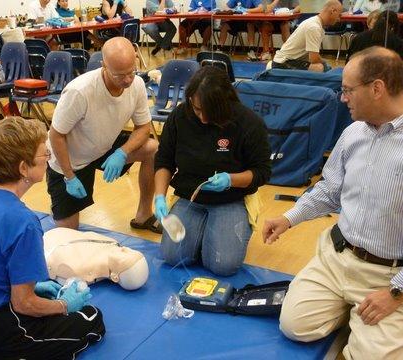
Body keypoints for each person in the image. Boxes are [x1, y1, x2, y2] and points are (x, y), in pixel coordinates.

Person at [262, 46, 403, 359]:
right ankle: (351, 311)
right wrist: (288, 218)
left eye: (348, 90)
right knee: (294, 325)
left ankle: (365, 319)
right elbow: (329, 190)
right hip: (337, 258)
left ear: (377, 88)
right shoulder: (353, 132)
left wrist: (396, 292)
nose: (343, 98)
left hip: (389, 276)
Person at [0, 117, 105, 359]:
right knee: (92, 318)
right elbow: (24, 304)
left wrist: (34, 287)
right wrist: (64, 306)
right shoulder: (23, 222)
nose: (48, 158)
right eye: (44, 154)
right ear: (24, 168)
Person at [154, 66, 271, 276]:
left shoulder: (248, 123)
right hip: (190, 197)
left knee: (223, 265)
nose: (203, 118)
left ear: (225, 103)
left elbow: (262, 172)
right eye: (197, 109)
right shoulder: (180, 116)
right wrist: (159, 197)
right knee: (172, 256)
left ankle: (214, 233)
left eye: (209, 112)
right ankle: (204, 233)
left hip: (230, 199)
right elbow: (164, 160)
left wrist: (231, 180)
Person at [47, 37, 160, 233]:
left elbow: (143, 128)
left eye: (131, 72)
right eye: (119, 75)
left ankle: (144, 215)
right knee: (66, 235)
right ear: (104, 66)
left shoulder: (137, 84)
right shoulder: (79, 91)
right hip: (70, 159)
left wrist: (122, 153)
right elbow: (56, 136)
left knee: (153, 149)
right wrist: (69, 176)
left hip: (104, 146)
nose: (127, 80)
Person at [272, 0, 343, 71]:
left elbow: (312, 57)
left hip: (290, 60)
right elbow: (314, 59)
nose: (339, 19)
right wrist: (326, 64)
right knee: (318, 68)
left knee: (323, 66)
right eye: (339, 15)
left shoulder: (317, 24)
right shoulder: (314, 27)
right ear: (333, 11)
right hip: (282, 63)